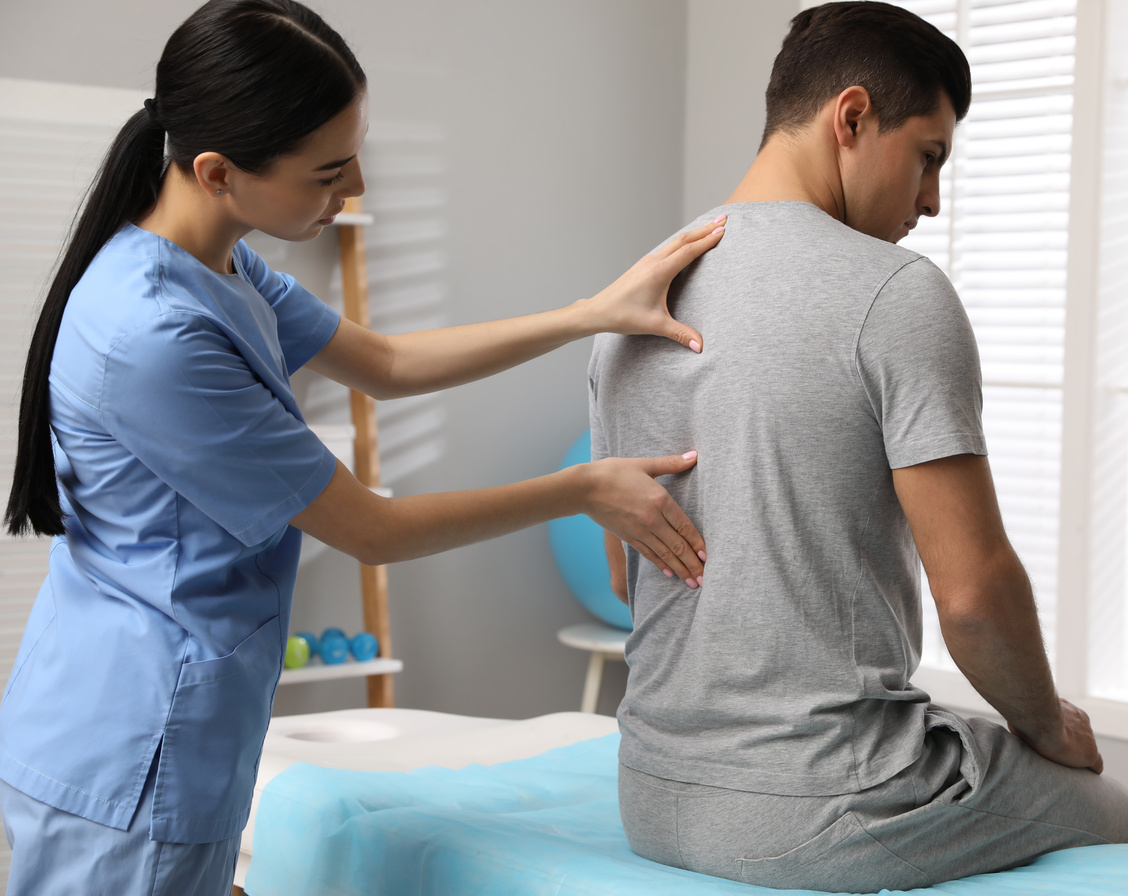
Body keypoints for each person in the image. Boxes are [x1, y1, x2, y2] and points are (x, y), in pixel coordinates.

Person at [0, 0, 720, 892]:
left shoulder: (221, 261)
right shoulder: (155, 334)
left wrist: (592, 313)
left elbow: (385, 364)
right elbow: (371, 530)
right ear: (220, 172)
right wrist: (581, 488)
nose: (357, 188)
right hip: (133, 747)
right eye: (329, 172)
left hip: (155, 722)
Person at [588, 3, 1128, 891]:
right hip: (821, 806)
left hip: (650, 791)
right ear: (851, 117)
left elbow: (627, 572)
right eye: (929, 157)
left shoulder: (630, 297)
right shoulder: (896, 293)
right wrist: (1050, 726)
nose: (932, 201)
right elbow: (972, 595)